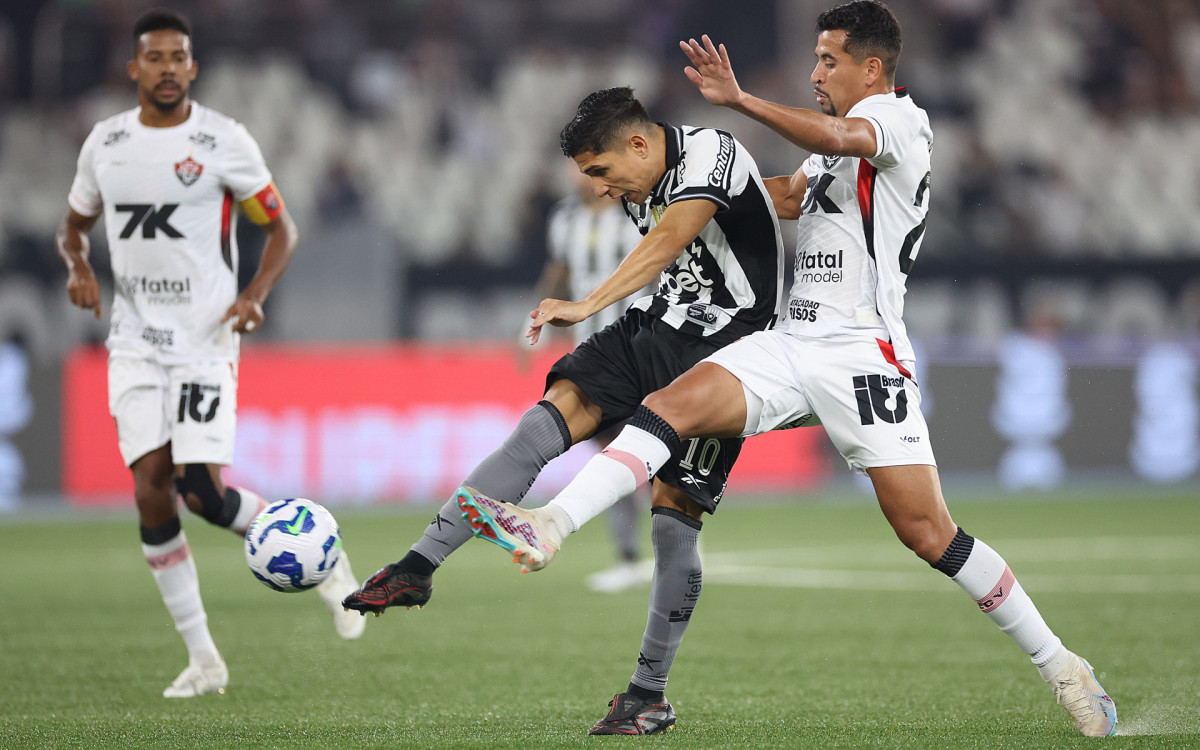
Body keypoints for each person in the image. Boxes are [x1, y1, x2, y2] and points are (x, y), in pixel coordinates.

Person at [455, 1, 1117, 738]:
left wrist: (739, 102)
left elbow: (840, 133)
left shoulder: (897, 121)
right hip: (792, 341)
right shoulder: (831, 150)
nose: (815, 72)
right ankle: (551, 523)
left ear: (872, 67)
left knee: (929, 533)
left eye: (828, 60)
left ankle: (1064, 667)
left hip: (865, 352)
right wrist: (693, 199)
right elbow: (783, 197)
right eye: (815, 59)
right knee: (670, 407)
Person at [341, 87, 786, 626]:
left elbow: (670, 239)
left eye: (601, 170)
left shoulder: (713, 151)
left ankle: (647, 692)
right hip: (658, 322)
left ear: (640, 144)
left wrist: (587, 303)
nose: (598, 189)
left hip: (726, 347)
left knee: (672, 520)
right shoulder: (631, 188)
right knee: (538, 426)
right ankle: (416, 566)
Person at [55, 9, 364, 699]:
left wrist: (255, 292)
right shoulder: (104, 144)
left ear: (193, 68)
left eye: (178, 57)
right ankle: (205, 660)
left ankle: (328, 555)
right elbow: (72, 227)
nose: (167, 68)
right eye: (154, 57)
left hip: (204, 339)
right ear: (133, 68)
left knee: (202, 491)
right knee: (149, 490)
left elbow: (280, 227)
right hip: (135, 343)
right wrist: (78, 265)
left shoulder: (223, 140)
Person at [530, 171, 654, 593]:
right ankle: (630, 557)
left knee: (652, 451)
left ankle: (669, 548)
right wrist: (534, 320)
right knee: (616, 456)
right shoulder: (565, 218)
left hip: (642, 347)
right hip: (592, 355)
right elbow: (558, 271)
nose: (575, 175)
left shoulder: (636, 211)